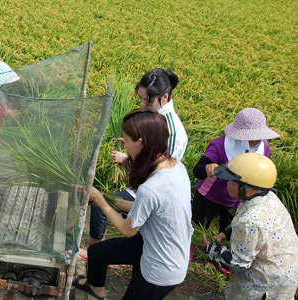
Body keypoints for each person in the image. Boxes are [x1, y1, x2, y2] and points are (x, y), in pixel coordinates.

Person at [73, 109, 193, 299]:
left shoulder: (152, 187)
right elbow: (150, 210)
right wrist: (112, 199)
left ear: (141, 142)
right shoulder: (176, 166)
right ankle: (96, 289)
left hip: (162, 265)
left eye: (126, 140)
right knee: (97, 252)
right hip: (151, 243)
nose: (125, 146)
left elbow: (127, 229)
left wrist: (99, 199)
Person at [89, 68, 188, 246]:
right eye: (141, 98)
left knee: (102, 207)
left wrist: (127, 159)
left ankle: (95, 247)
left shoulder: (171, 130)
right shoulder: (155, 115)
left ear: (164, 97)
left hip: (149, 193)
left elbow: (158, 167)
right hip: (142, 187)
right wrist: (130, 143)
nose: (143, 104)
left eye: (147, 100)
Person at [200, 153, 298, 300]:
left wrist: (211, 248)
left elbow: (237, 263)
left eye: (231, 181)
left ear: (247, 188)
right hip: (283, 269)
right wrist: (225, 234)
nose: (227, 183)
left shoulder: (251, 220)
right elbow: (256, 233)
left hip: (266, 284)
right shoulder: (267, 196)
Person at [192, 108, 279, 234]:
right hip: (209, 195)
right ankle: (190, 253)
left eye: (258, 137)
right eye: (250, 138)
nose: (255, 142)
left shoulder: (263, 147)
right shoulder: (219, 145)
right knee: (197, 230)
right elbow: (197, 171)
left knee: (229, 234)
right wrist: (207, 168)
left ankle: (217, 252)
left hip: (235, 199)